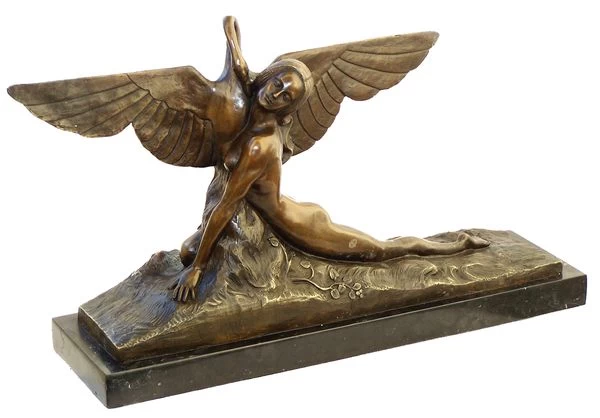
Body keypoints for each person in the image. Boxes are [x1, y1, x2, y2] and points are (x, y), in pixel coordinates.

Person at [172, 57, 488, 302]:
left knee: (380, 250)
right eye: (277, 83)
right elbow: (234, 43)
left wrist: (199, 269)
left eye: (286, 96)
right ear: (267, 78)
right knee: (186, 252)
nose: (276, 94)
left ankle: (456, 246)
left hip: (300, 225)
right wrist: (234, 48)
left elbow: (228, 204)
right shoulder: (251, 111)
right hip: (285, 207)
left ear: (289, 107)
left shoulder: (260, 145)